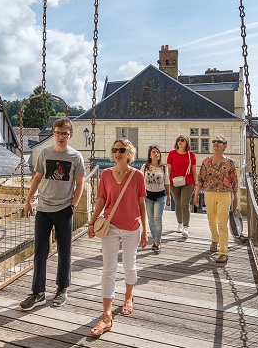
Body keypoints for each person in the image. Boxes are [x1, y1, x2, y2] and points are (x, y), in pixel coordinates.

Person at [20, 117, 85, 310]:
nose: (61, 136)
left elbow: (80, 183)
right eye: (58, 133)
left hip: (64, 209)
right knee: (40, 252)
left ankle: (62, 289)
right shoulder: (45, 153)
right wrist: (28, 200)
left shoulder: (76, 157)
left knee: (65, 251)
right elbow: (37, 178)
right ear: (53, 134)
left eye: (65, 133)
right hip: (43, 209)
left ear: (70, 135)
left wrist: (73, 206)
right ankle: (37, 292)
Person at [86, 139, 147, 336]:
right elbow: (102, 201)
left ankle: (129, 297)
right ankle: (106, 315)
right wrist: (92, 222)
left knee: (130, 264)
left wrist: (145, 230)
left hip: (131, 227)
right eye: (114, 150)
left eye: (121, 150)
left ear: (129, 153)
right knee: (108, 269)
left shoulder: (137, 176)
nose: (117, 153)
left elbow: (142, 204)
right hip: (110, 227)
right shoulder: (105, 174)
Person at [194, 135, 238, 264]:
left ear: (225, 146)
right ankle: (215, 239)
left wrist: (235, 197)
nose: (216, 143)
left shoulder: (229, 162)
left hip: (225, 194)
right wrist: (196, 194)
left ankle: (223, 252)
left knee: (222, 223)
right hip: (209, 193)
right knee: (211, 221)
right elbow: (200, 179)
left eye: (219, 142)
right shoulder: (206, 161)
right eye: (214, 141)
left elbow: (234, 180)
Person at [167, 135, 197, 238]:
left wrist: (196, 183)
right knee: (178, 203)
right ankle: (179, 224)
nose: (180, 142)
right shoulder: (172, 153)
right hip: (174, 181)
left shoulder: (191, 154)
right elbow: (169, 169)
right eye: (178, 140)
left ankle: (186, 227)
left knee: (185, 204)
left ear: (186, 142)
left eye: (182, 140)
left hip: (188, 181)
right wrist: (166, 181)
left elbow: (194, 170)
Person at [141, 145, 170, 254]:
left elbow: (167, 182)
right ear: (150, 155)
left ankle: (157, 242)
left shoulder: (164, 167)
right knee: (150, 220)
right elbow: (140, 181)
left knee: (157, 219)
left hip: (160, 195)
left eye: (158, 152)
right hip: (148, 196)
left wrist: (168, 196)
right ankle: (154, 238)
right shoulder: (145, 167)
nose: (156, 154)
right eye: (154, 152)